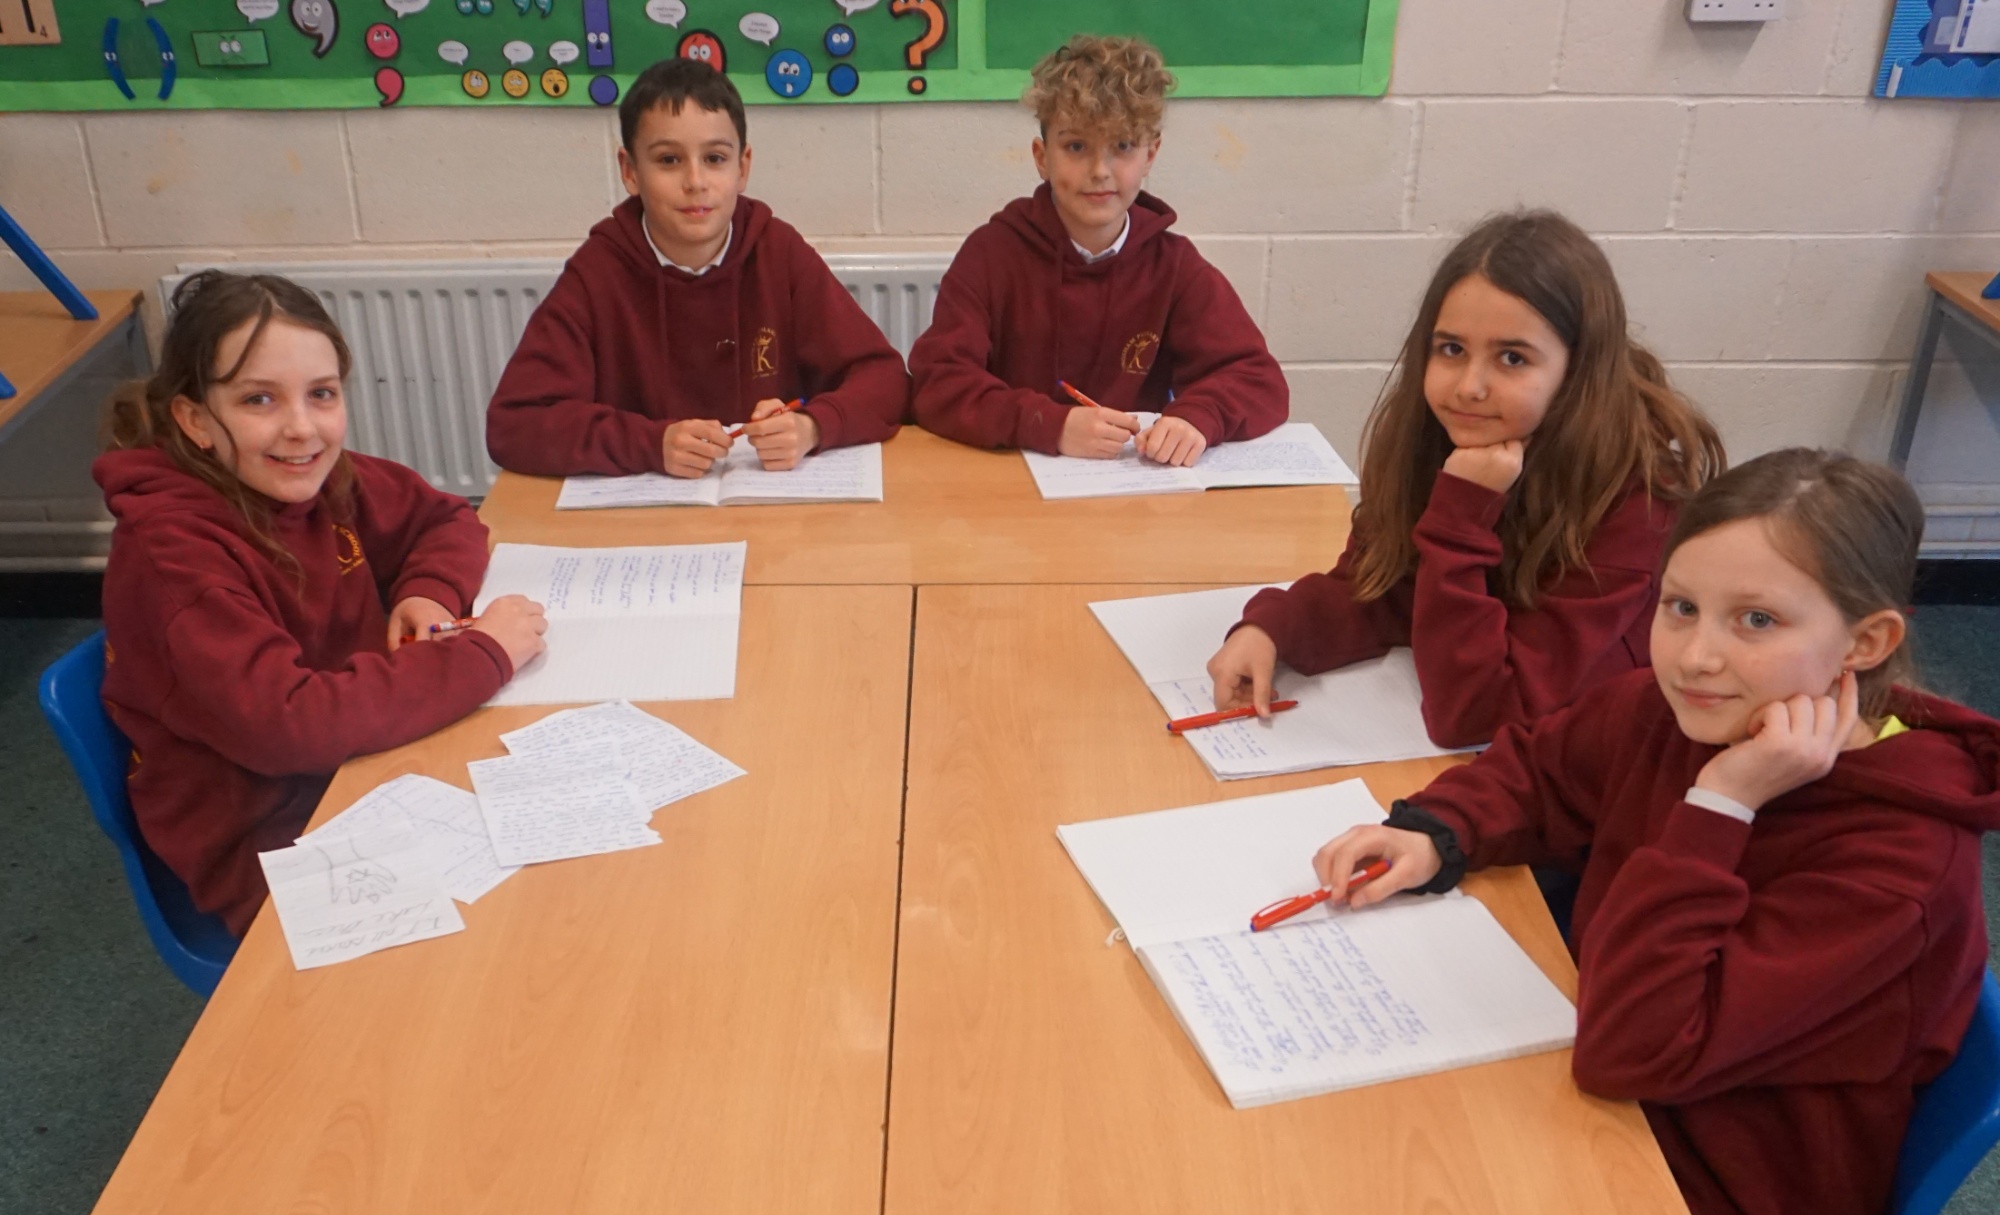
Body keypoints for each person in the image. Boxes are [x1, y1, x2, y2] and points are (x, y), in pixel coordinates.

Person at [1311, 449, 2000, 1215]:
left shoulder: (1899, 867)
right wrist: (1441, 830)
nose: (1696, 655)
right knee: (1331, 1140)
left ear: (1866, 641)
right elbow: (1542, 768)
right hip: (1602, 1095)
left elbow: (1635, 1050)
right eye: (1681, 606)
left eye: (1756, 620)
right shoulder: (1684, 711)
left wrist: (1723, 806)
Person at [97, 270, 546, 934]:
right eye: (259, 399)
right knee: (524, 932)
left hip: (363, 766)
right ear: (195, 420)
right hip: (272, 838)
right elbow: (289, 726)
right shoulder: (173, 559)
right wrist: (483, 654)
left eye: (322, 394)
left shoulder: (318, 477)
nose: (302, 428)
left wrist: (426, 592)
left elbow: (443, 518)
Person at [1208, 210, 1726, 749]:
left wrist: (1460, 516)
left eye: (1512, 358)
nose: (1469, 387)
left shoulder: (1635, 503)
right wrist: (1273, 628)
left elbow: (1477, 715)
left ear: (1578, 372)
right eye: (1452, 349)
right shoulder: (1440, 442)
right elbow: (1383, 590)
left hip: (1602, 766)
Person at [487, 57, 909, 479]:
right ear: (630, 172)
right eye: (669, 160)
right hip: (643, 508)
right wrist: (649, 443)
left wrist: (811, 426)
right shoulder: (597, 272)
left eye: (715, 158)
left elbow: (886, 380)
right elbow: (515, 423)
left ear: (742, 167)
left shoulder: (778, 252)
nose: (695, 181)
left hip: (766, 501)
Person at [908, 34, 1286, 463]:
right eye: (1076, 147)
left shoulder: (1175, 267)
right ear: (1042, 157)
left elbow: (1258, 380)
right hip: (1012, 482)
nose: (1100, 171)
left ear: (1150, 155)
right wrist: (1048, 424)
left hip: (1132, 483)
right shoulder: (991, 255)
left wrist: (1198, 417)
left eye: (1122, 146)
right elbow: (936, 384)